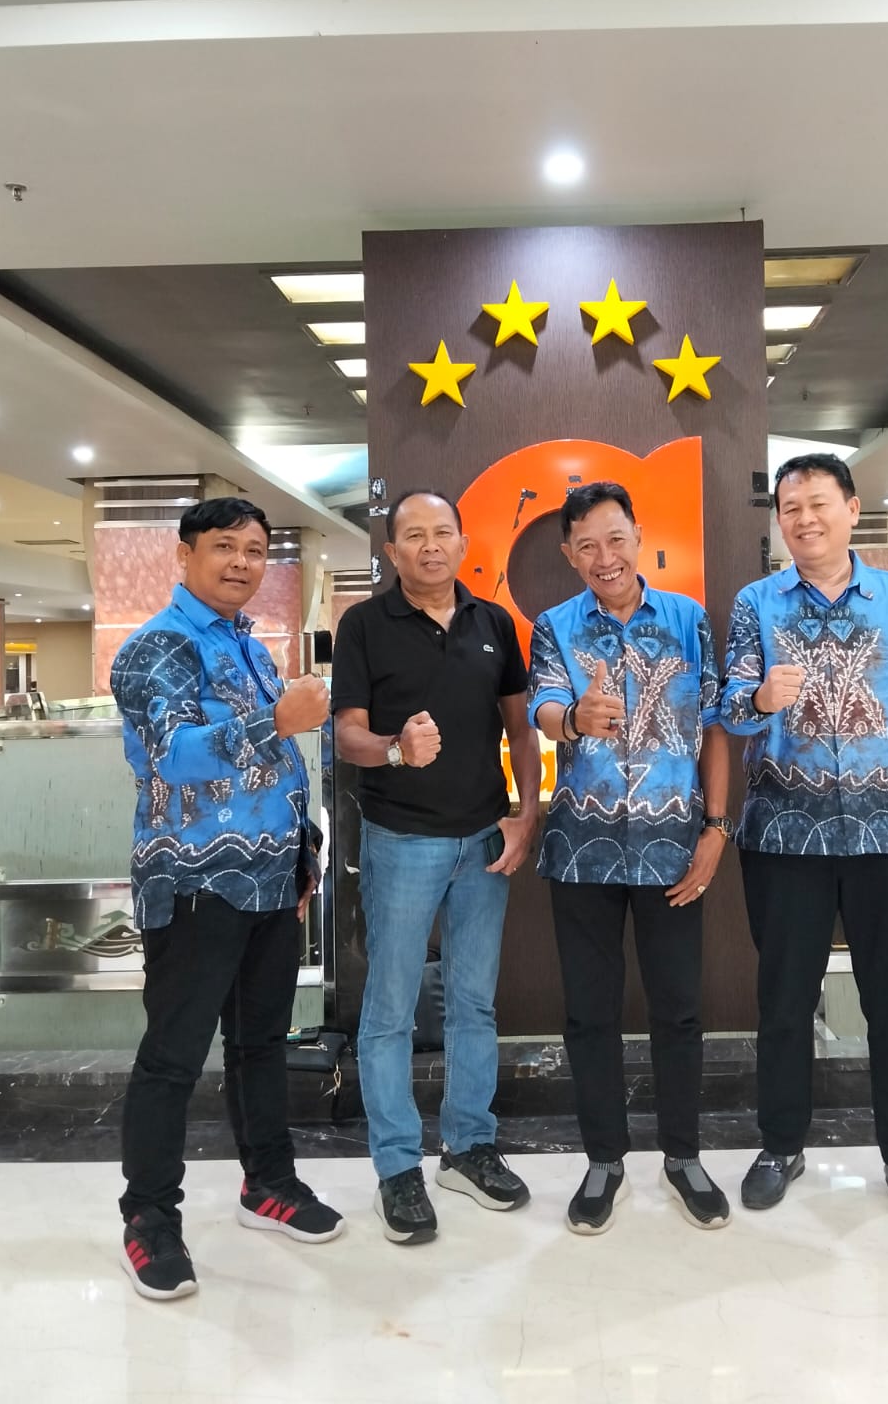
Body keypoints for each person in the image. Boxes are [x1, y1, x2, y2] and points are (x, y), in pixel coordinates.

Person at [720, 453, 888, 1230]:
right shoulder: (756, 604)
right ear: (779, 520)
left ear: (851, 509)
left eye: (817, 503)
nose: (804, 519)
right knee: (783, 1002)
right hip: (784, 836)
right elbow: (726, 706)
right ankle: (781, 1146)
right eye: (791, 508)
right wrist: (758, 698)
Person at [110, 497, 343, 1301]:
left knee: (260, 1043)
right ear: (184, 555)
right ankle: (149, 1220)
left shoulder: (248, 643)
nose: (242, 562)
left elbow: (275, 768)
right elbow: (173, 759)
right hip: (195, 884)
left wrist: (301, 856)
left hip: (270, 882)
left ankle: (267, 1184)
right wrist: (278, 719)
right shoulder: (156, 647)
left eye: (254, 549)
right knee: (173, 1056)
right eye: (224, 547)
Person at [332, 489, 541, 1245]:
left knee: (474, 1005)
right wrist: (395, 748)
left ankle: (468, 1148)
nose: (430, 546)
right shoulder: (363, 625)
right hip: (401, 841)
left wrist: (527, 813)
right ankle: (397, 1166)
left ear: (462, 542)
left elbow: (520, 728)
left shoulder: (494, 623)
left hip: (484, 839)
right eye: (413, 535)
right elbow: (346, 734)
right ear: (392, 552)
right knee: (389, 1011)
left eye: (442, 532)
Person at [528, 481, 733, 1235]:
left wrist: (716, 829)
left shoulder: (687, 619)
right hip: (581, 850)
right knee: (590, 1014)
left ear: (638, 537)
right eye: (586, 546)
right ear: (568, 554)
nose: (603, 557)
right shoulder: (554, 625)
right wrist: (574, 718)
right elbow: (544, 707)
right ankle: (604, 1161)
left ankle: (683, 1156)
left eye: (615, 539)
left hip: (672, 846)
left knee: (678, 1009)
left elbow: (715, 726)